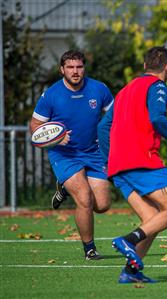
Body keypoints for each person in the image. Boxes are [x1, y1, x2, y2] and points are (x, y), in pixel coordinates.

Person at [97, 46, 167, 283]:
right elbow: (158, 118)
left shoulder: (124, 91)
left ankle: (130, 272)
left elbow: (102, 128)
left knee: (153, 218)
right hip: (141, 160)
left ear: (144, 67)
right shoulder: (158, 86)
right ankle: (128, 240)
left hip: (118, 165)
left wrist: (111, 163)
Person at [30, 50, 114, 259]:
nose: (75, 72)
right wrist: (56, 139)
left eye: (79, 67)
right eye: (70, 67)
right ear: (62, 70)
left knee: (102, 205)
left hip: (94, 152)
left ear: (84, 68)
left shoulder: (99, 89)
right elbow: (35, 125)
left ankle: (63, 188)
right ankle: (90, 250)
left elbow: (115, 118)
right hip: (64, 154)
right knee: (84, 198)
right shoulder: (51, 95)